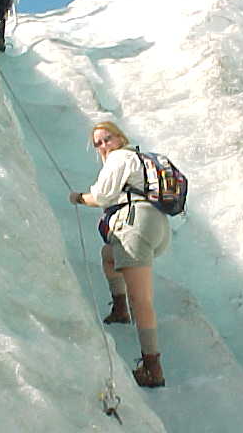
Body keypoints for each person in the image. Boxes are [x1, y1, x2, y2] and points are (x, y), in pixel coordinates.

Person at [69, 122, 171, 388]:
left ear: (119, 137)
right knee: (108, 255)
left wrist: (79, 198)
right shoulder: (138, 159)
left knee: (142, 300)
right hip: (155, 224)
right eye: (98, 143)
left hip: (134, 224)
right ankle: (120, 308)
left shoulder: (120, 157)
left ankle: (152, 368)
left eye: (107, 139)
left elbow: (102, 196)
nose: (103, 145)